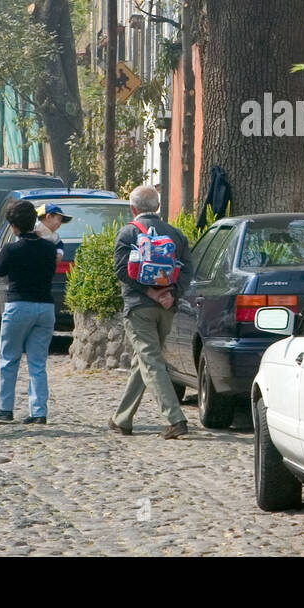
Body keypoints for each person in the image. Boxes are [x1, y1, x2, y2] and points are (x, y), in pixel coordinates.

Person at [110, 185, 193, 439]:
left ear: (133, 208)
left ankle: (175, 419)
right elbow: (187, 270)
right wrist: (171, 295)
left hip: (139, 307)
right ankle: (122, 419)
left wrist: (149, 293)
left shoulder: (128, 233)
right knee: (144, 360)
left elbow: (121, 270)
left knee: (151, 361)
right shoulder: (176, 234)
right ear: (158, 207)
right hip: (166, 308)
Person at [0, 199, 59, 424]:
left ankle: (5, 408)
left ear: (13, 226)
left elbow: (0, 270)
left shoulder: (11, 249)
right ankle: (38, 411)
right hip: (45, 307)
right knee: (38, 363)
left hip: (19, 305)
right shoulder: (49, 249)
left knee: (9, 358)